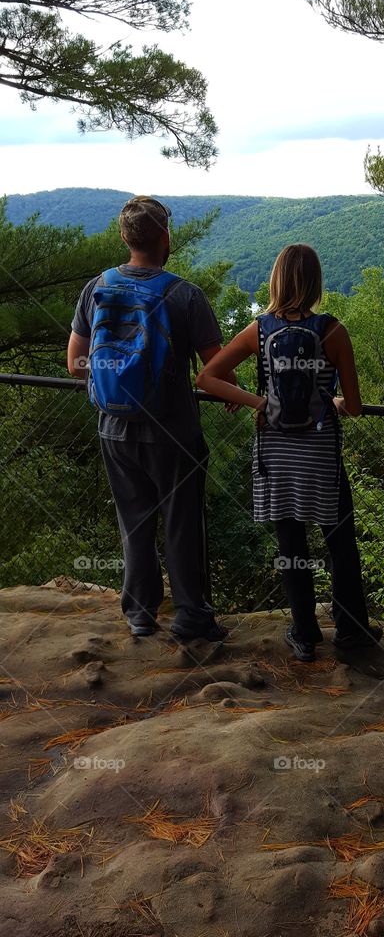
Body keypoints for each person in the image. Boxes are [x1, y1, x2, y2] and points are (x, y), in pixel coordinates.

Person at [196, 243, 381, 661]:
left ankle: (304, 632)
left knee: (290, 542)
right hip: (320, 453)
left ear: (277, 279)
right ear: (315, 283)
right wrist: (331, 402)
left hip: (276, 450)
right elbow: (353, 405)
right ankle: (351, 633)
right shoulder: (333, 331)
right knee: (340, 541)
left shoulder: (258, 330)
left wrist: (258, 402)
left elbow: (207, 376)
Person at [67, 195, 233, 641]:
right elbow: (215, 368)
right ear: (165, 237)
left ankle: (139, 614)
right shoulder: (185, 294)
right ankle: (191, 617)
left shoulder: (97, 287)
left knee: (134, 521)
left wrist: (116, 379)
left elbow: (75, 363)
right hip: (173, 430)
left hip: (114, 429)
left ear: (124, 237)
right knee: (181, 522)